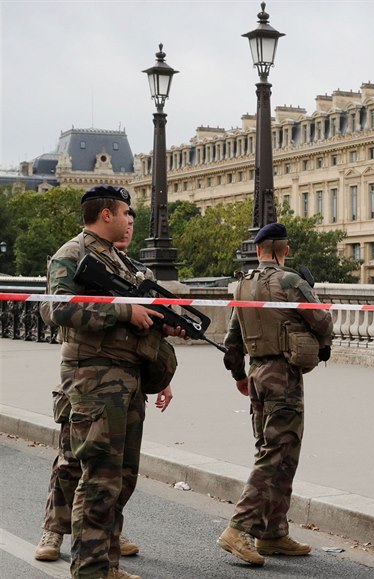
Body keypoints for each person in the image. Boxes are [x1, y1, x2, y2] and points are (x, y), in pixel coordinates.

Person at [39, 184, 183, 579]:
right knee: (97, 477)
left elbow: (140, 320)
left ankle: (107, 563)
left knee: (121, 478)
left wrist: (163, 332)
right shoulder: (72, 254)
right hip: (94, 378)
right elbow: (56, 310)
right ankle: (90, 569)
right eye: (125, 212)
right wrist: (123, 311)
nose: (129, 220)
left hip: (127, 377)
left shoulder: (122, 263)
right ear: (107, 214)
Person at [218, 222, 334, 567]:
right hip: (284, 375)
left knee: (277, 452)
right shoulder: (291, 281)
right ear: (284, 250)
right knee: (276, 454)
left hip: (257, 374)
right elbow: (323, 323)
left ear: (258, 250)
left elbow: (232, 339)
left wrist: (240, 375)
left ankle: (272, 532)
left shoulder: (242, 284)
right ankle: (239, 528)